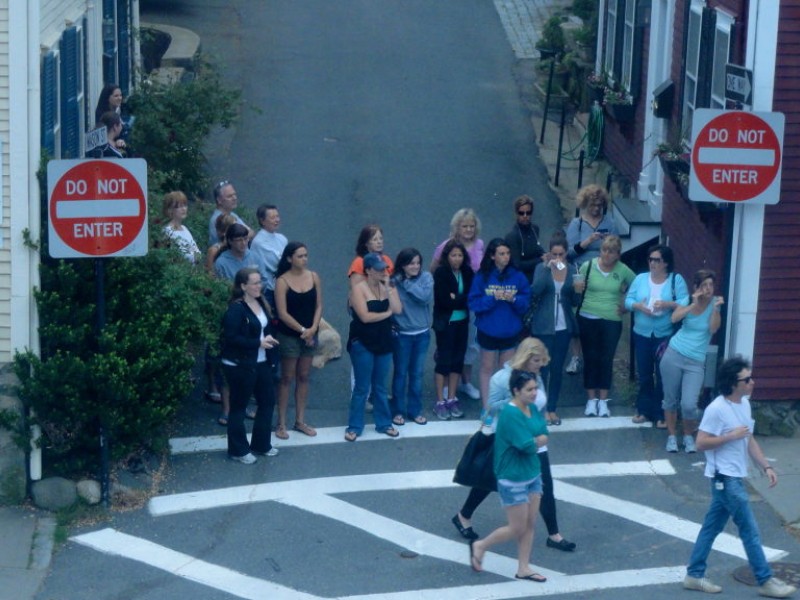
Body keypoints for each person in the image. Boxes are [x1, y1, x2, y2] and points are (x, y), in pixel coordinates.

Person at [683, 356, 797, 599]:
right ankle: (766, 580)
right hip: (725, 478)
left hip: (734, 476)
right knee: (749, 530)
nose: (752, 382)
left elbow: (749, 439)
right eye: (747, 379)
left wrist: (766, 466)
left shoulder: (744, 404)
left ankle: (694, 574)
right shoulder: (717, 409)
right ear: (733, 384)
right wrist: (729, 436)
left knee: (711, 527)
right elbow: (700, 442)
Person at [454, 338, 575, 553]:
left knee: (545, 486)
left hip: (534, 440)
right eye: (537, 360)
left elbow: (540, 403)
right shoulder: (502, 378)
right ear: (526, 358)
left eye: (542, 361)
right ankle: (464, 515)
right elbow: (491, 407)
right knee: (490, 482)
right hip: (509, 441)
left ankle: (554, 535)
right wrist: (517, 398)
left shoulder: (535, 376)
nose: (540, 365)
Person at [468, 370, 549, 583]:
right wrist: (537, 440)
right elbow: (526, 445)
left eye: (535, 388)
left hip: (532, 473)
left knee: (530, 523)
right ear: (516, 391)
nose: (534, 393)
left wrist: (537, 440)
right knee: (517, 527)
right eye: (529, 389)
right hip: (512, 478)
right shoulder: (510, 414)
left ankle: (523, 567)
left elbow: (543, 431)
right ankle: (481, 545)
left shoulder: (531, 408)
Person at [659, 269, 724, 453]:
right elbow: (674, 317)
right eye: (704, 285)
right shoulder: (687, 300)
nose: (708, 289)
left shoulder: (715, 304)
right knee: (670, 399)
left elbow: (712, 329)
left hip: (696, 361)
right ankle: (672, 436)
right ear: (696, 287)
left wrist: (716, 309)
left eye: (711, 285)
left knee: (688, 404)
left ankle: (688, 435)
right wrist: (692, 304)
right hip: (674, 354)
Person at [625, 245, 689, 428]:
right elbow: (628, 301)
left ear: (666, 263)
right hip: (642, 333)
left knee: (663, 374)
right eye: (650, 259)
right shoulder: (640, 279)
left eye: (657, 260)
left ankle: (661, 413)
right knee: (644, 374)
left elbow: (685, 302)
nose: (652, 263)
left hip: (664, 334)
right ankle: (643, 409)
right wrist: (639, 306)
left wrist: (668, 304)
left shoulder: (675, 280)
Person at [220, 267, 279, 464]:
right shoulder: (236, 308)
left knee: (268, 401)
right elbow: (231, 338)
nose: (258, 286)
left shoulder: (260, 302)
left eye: (259, 282)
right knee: (239, 407)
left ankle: (261, 445)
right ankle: (237, 450)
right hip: (239, 364)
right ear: (243, 286)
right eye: (254, 283)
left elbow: (261, 328)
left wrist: (266, 340)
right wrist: (258, 343)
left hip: (260, 361)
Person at [345, 252, 403, 441]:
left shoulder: (386, 286)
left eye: (384, 269)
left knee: (380, 386)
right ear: (368, 271)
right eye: (378, 269)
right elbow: (365, 317)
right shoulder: (358, 290)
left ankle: (384, 423)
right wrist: (386, 314)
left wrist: (389, 289)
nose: (383, 272)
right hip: (363, 342)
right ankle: (354, 426)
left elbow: (397, 309)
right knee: (362, 387)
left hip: (384, 341)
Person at [577, 234, 635, 418]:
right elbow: (578, 287)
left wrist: (627, 304)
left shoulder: (623, 270)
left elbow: (638, 285)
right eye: (604, 250)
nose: (607, 255)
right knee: (590, 357)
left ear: (618, 254)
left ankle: (603, 401)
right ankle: (591, 400)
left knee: (606, 358)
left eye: (611, 252)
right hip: (587, 316)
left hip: (611, 319)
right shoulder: (588, 266)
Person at [468, 238, 530, 410]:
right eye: (501, 254)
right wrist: (492, 298)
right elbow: (474, 303)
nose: (506, 257)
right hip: (488, 330)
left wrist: (514, 298)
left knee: (505, 371)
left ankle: (502, 406)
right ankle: (487, 408)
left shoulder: (517, 276)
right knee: (487, 368)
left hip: (510, 331)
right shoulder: (482, 277)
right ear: (492, 256)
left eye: (508, 253)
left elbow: (525, 303)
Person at [564, 184, 618, 375]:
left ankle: (595, 357)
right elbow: (568, 253)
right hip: (581, 275)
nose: (596, 209)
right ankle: (576, 357)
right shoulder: (577, 224)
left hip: (602, 275)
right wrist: (588, 241)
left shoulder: (609, 222)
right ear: (585, 204)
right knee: (578, 317)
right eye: (593, 205)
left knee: (598, 316)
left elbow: (616, 247)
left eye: (600, 205)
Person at [431, 208, 484, 401]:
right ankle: (445, 385)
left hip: (472, 303)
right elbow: (434, 269)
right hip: (450, 309)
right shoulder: (447, 245)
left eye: (472, 226)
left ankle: (465, 382)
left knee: (469, 344)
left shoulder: (479, 245)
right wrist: (447, 291)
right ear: (457, 227)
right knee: (448, 346)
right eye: (465, 226)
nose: (469, 229)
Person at [529, 235, 582, 425]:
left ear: (566, 253)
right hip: (543, 325)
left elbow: (575, 302)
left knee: (557, 369)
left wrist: (578, 290)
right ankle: (541, 409)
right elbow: (535, 290)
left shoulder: (573, 270)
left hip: (563, 326)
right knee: (541, 369)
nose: (558, 258)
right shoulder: (541, 269)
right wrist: (545, 268)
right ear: (549, 253)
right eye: (554, 254)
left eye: (561, 254)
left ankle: (552, 408)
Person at [274, 242, 322, 440]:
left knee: (303, 376)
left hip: (309, 334)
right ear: (289, 259)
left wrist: (312, 329)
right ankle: (281, 423)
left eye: (305, 255)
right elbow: (282, 313)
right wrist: (303, 330)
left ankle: (300, 420)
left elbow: (319, 305)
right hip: (290, 336)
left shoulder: (314, 277)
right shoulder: (282, 281)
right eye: (300, 256)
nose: (304, 259)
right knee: (287, 377)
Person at [390, 248, 433, 426]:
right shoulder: (393, 282)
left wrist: (406, 282)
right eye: (411, 263)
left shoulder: (426, 278)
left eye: (417, 263)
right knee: (400, 373)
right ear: (402, 265)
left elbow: (424, 297)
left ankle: (414, 410)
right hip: (402, 335)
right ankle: (397, 410)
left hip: (422, 334)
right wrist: (397, 282)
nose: (415, 266)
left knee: (416, 374)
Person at [432, 240, 474, 420]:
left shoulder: (467, 272)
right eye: (453, 255)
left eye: (460, 255)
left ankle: (452, 397)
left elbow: (471, 296)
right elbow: (443, 300)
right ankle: (440, 401)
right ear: (447, 257)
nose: (457, 259)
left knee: (458, 359)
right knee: (444, 360)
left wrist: (457, 297)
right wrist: (459, 299)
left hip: (462, 322)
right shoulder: (441, 273)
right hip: (446, 323)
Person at [250, 204, 288, 310]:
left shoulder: (282, 238)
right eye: (272, 218)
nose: (277, 220)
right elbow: (277, 263)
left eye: (277, 216)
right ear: (262, 221)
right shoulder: (259, 242)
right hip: (270, 290)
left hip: (284, 285)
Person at [504, 195, 545, 282]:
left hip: (535, 275)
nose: (525, 216)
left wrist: (546, 255)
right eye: (521, 213)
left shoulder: (535, 229)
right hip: (519, 279)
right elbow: (517, 265)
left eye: (528, 213)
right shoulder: (512, 236)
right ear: (516, 213)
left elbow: (537, 248)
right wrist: (540, 260)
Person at [207, 181, 252, 246]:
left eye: (235, 194)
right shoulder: (217, 220)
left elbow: (251, 233)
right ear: (219, 200)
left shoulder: (232, 214)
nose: (234, 198)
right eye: (229, 196)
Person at [162, 191, 201, 264]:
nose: (183, 209)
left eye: (185, 205)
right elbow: (175, 258)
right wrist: (193, 257)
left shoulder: (185, 228)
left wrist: (195, 257)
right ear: (170, 210)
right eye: (178, 206)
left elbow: (198, 253)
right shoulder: (167, 231)